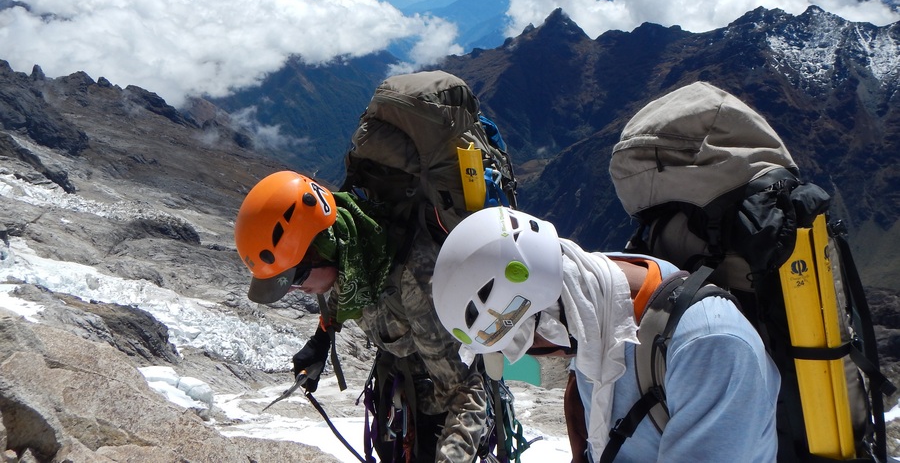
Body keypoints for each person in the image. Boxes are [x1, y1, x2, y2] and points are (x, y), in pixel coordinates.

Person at [431, 206, 781, 463]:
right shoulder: (594, 307)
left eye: (525, 348)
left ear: (546, 318)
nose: (540, 358)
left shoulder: (709, 347)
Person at [233, 170, 488, 463]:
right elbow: (341, 288)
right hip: (398, 389)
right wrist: (321, 339)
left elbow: (466, 391)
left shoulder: (415, 280)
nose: (297, 290)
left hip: (437, 406)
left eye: (297, 276)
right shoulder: (351, 248)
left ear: (321, 249)